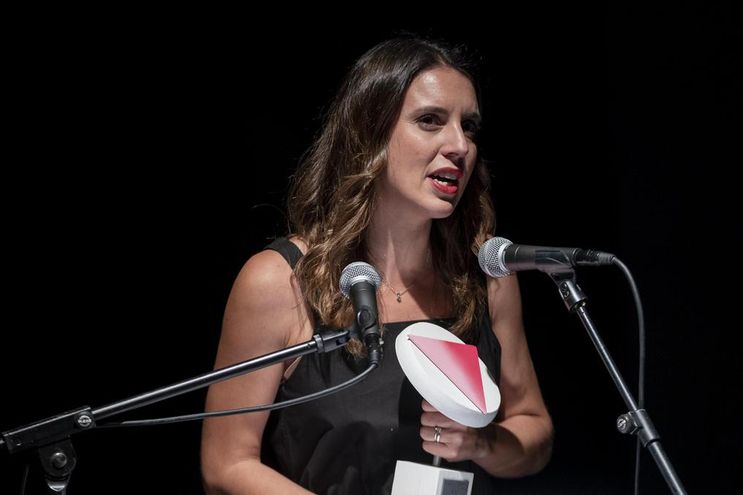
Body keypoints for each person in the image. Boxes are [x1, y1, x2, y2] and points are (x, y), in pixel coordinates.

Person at [200, 35, 553, 494]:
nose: (459, 144)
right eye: (430, 120)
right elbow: (226, 465)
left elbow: (534, 430)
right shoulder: (280, 281)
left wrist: (482, 443)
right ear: (370, 133)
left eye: (468, 126)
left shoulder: (485, 277)